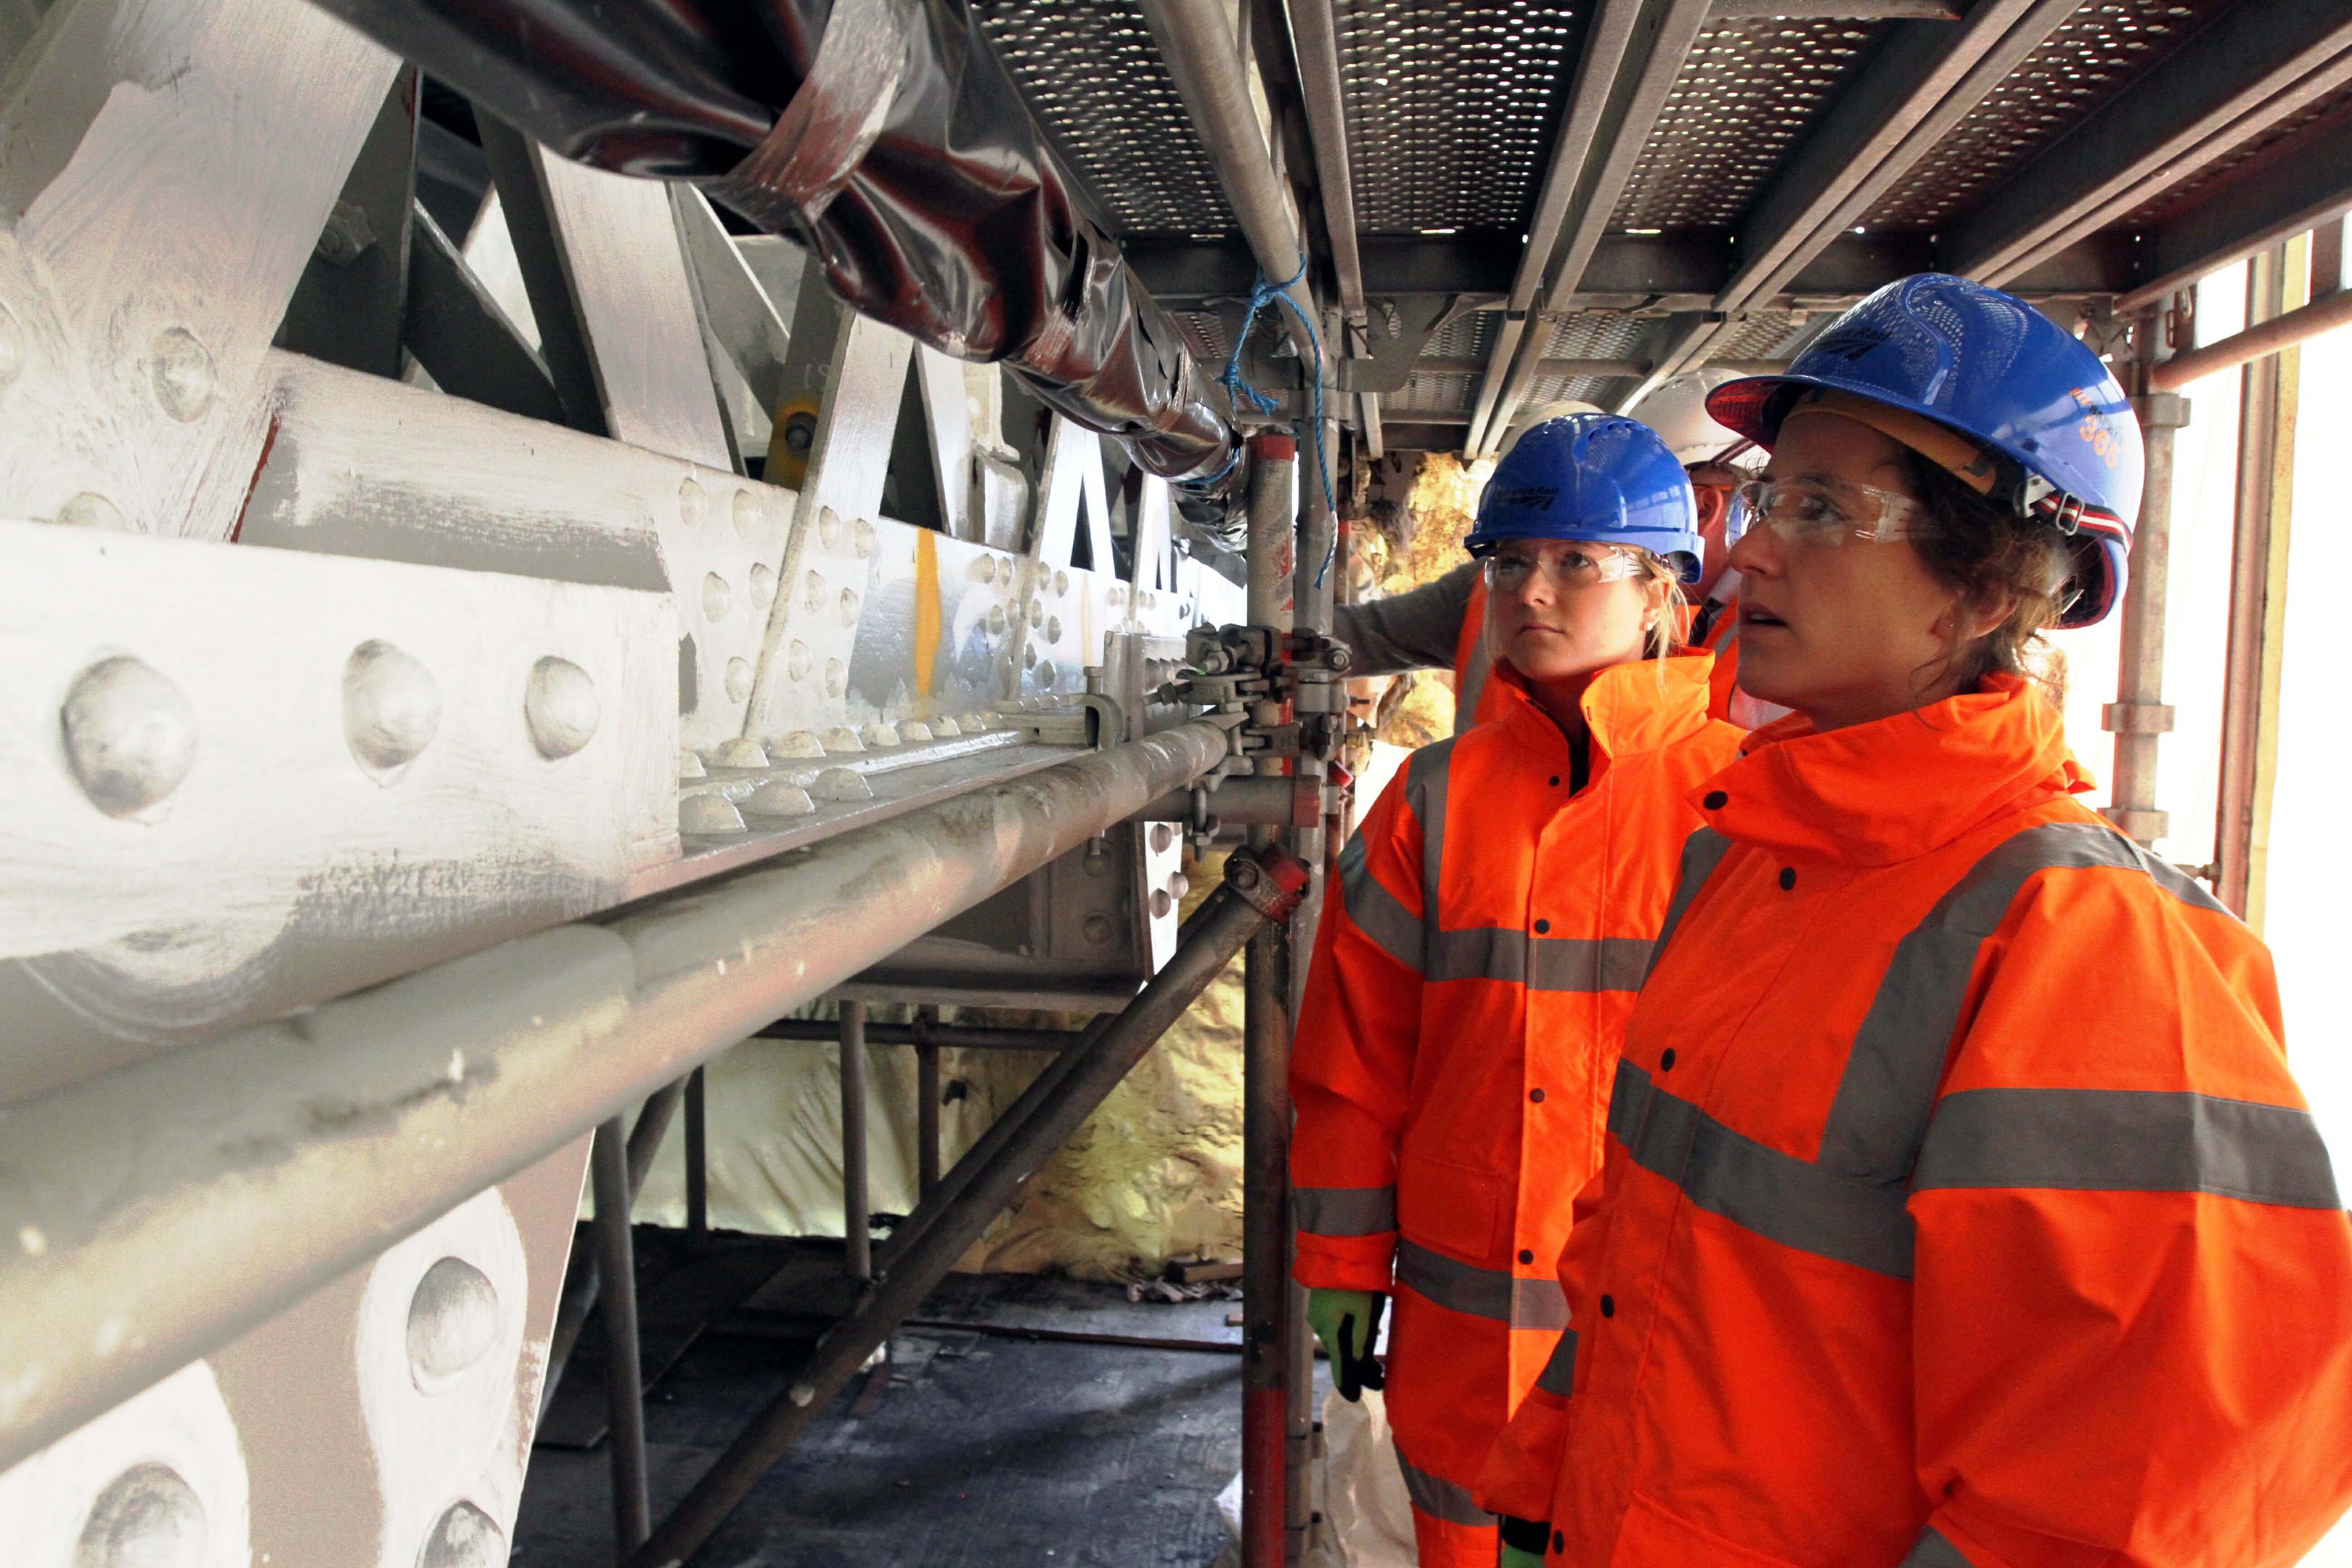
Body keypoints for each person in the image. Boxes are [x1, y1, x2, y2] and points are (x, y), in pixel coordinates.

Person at [1477, 274, 2352, 1567]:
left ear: (1989, 589)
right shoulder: (1754, 860)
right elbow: (1640, 1264)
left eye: (1826, 510)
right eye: (1771, 497)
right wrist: (1543, 1498)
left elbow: (2141, 1497)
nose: (1751, 549)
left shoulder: (2085, 942)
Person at [1289, 415, 1747, 1568]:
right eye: (1508, 564)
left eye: (1576, 562)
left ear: (1660, 597)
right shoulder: (1432, 801)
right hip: (1466, 1339)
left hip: (1667, 1336)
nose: (1532, 592)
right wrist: (1342, 1263)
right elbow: (1354, 1059)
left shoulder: (1746, 803)